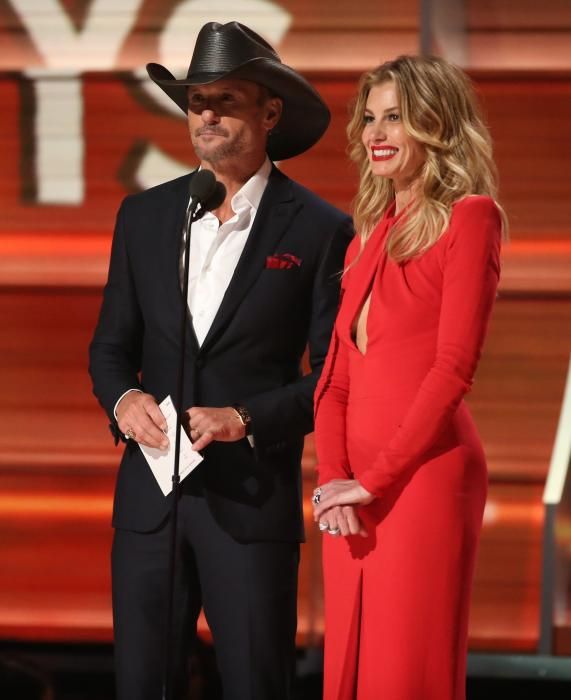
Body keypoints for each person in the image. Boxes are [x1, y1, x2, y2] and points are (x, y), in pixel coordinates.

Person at [89, 21, 353, 700]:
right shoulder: (144, 216)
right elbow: (110, 346)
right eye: (194, 100)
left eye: (224, 99)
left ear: (269, 111)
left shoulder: (321, 229)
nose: (204, 114)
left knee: (254, 684)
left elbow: (331, 376)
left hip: (249, 500)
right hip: (149, 502)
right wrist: (124, 401)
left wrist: (246, 417)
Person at [311, 55, 507, 699]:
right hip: (352, 495)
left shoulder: (471, 218)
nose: (377, 132)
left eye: (395, 116)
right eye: (369, 119)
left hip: (423, 480)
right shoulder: (364, 234)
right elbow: (335, 376)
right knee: (346, 670)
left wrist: (373, 480)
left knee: (402, 674)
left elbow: (452, 370)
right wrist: (336, 480)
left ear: (436, 124)